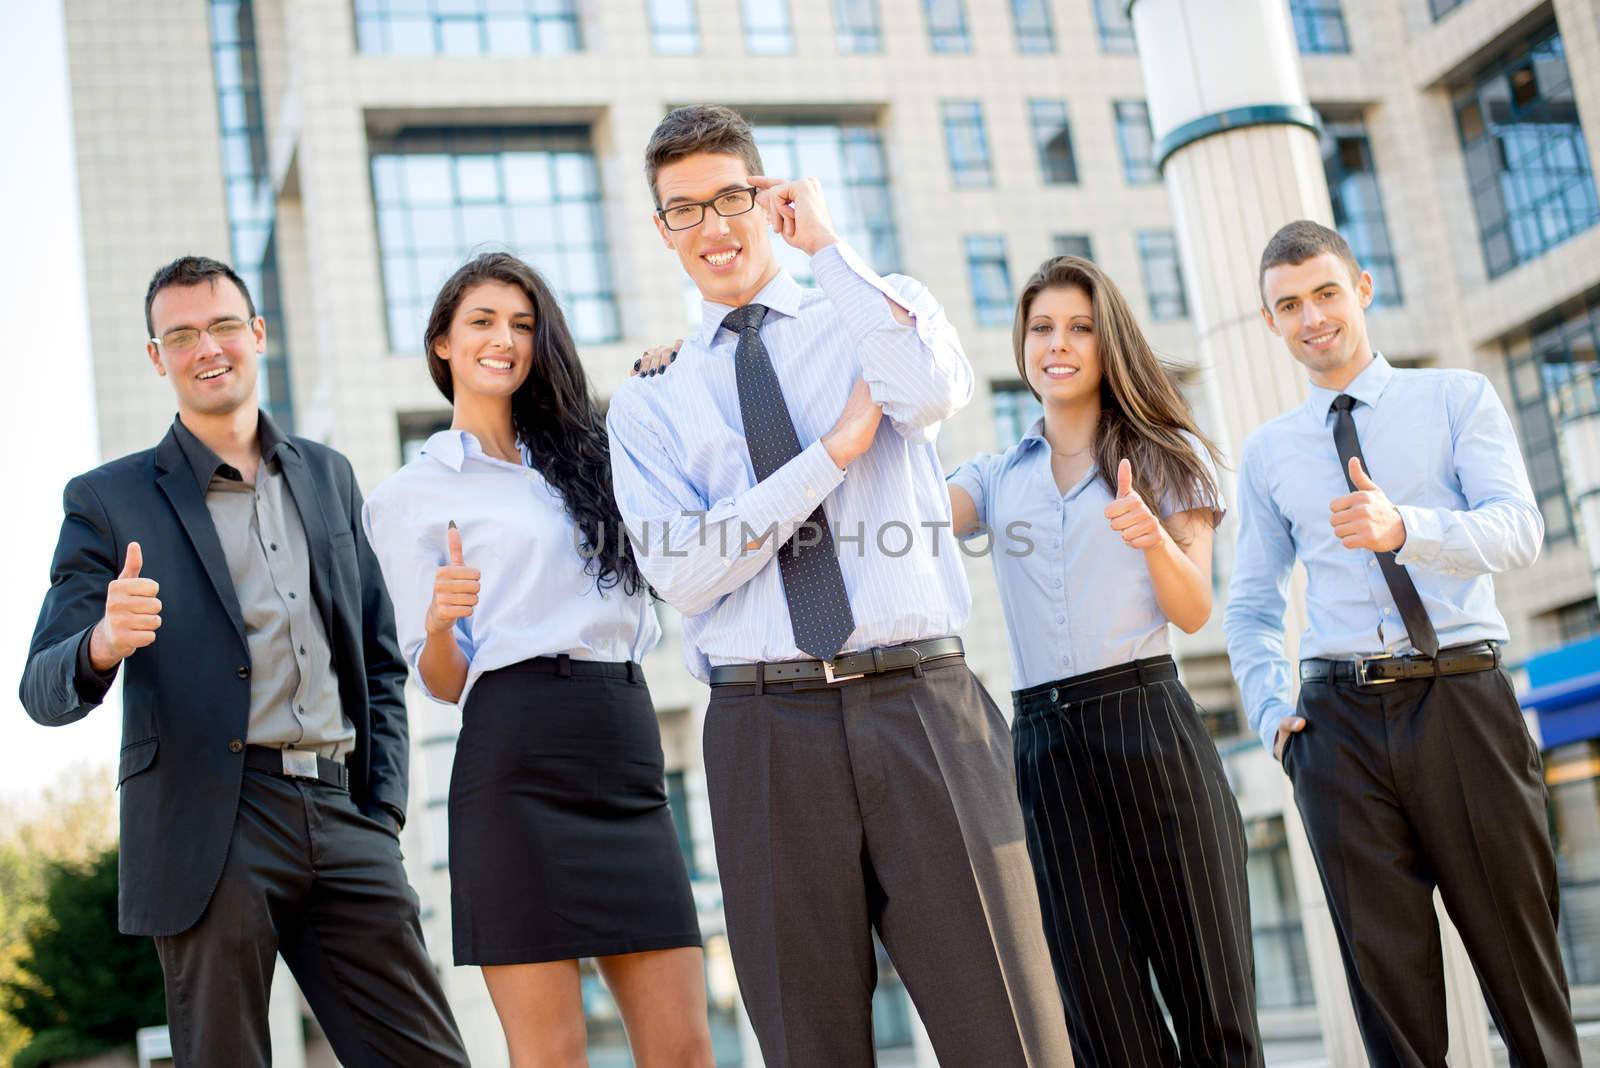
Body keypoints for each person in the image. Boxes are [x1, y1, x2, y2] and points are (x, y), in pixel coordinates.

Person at [605, 104, 1070, 1068]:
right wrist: (831, 454)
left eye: (732, 197)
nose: (714, 227)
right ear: (661, 231)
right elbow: (683, 573)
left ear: (771, 196)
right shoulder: (653, 397)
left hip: (923, 708)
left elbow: (933, 393)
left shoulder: (870, 306)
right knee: (807, 1043)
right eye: (684, 211)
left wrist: (825, 246)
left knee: (1012, 1032)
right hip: (763, 731)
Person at [19, 256, 468, 1067]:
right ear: (158, 357)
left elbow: (378, 657)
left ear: (257, 334)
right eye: (181, 335)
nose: (208, 348)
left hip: (344, 812)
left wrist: (384, 808)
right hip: (209, 824)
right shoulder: (108, 500)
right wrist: (102, 643)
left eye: (224, 325)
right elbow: (42, 686)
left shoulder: (327, 475)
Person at [1225, 219, 1581, 1066]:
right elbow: (1249, 604)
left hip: (1462, 700)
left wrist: (1403, 528)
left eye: (1325, 293)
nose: (1312, 318)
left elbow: (1519, 531)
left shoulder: (1456, 397)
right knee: (1393, 1011)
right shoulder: (1270, 452)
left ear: (1362, 290)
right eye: (1288, 305)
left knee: (1524, 983)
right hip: (1337, 728)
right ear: (1268, 321)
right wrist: (1274, 712)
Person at [362, 253, 711, 1067]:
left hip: (624, 749)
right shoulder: (407, 497)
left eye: (522, 324)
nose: (504, 340)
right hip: (514, 758)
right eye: (481, 321)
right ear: (442, 343)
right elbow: (441, 681)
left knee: (685, 1049)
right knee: (552, 1055)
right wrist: (444, 622)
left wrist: (671, 375)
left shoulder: (598, 454)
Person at [946, 255, 1261, 1067]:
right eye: (1042, 328)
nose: (1059, 344)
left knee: (1212, 1004)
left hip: (1148, 724)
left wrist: (1153, 538)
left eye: (1080, 328)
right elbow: (899, 503)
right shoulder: (994, 476)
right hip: (1044, 750)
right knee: (1103, 1022)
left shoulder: (1164, 454)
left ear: (1107, 341)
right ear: (1021, 343)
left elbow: (1192, 609)